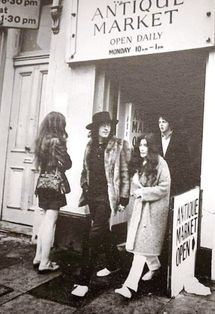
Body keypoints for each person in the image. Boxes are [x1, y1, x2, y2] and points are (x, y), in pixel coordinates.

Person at [71, 111, 130, 297]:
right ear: (95, 128)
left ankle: (83, 281)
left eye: (108, 125)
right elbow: (84, 170)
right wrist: (84, 185)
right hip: (92, 196)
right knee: (103, 232)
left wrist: (124, 197)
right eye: (102, 125)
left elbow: (124, 173)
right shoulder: (89, 145)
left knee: (94, 236)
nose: (106, 128)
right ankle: (113, 264)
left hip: (107, 197)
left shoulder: (119, 145)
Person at [115, 133, 171, 299]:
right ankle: (155, 267)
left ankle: (130, 286)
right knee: (143, 244)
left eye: (146, 145)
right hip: (140, 210)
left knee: (140, 247)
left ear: (152, 147)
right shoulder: (140, 162)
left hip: (153, 212)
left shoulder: (161, 163)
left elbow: (164, 187)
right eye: (140, 145)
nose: (142, 148)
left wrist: (144, 192)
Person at [33, 111, 72, 273]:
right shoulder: (58, 141)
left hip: (42, 184)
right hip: (55, 186)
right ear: (58, 125)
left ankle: (38, 257)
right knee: (50, 223)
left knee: (44, 222)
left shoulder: (41, 140)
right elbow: (67, 163)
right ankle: (45, 262)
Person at [158, 114, 192, 196]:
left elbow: (184, 161)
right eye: (159, 122)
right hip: (160, 179)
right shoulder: (156, 138)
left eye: (164, 122)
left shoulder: (179, 139)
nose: (161, 125)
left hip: (174, 179)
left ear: (169, 123)